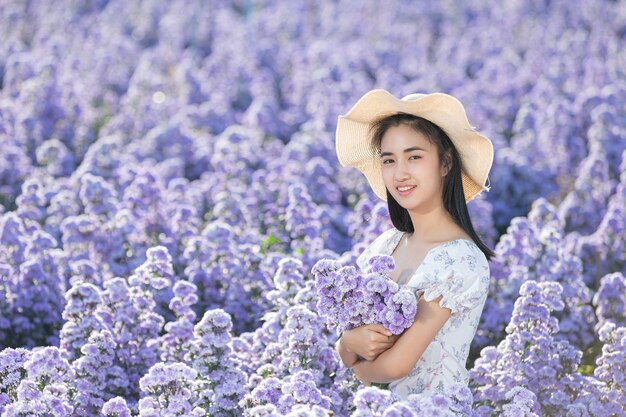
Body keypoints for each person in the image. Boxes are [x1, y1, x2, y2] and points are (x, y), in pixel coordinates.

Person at [333, 89, 495, 399]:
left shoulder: (460, 259)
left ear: (445, 163)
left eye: (414, 156)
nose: (400, 173)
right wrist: (348, 343)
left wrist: (356, 365)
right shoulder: (387, 245)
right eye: (389, 160)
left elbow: (396, 366)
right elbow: (347, 341)